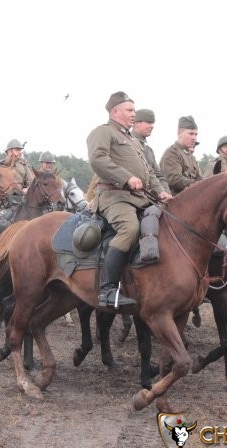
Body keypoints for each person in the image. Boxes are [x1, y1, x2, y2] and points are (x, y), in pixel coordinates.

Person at [88, 91, 172, 307]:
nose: (134, 114)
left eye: (134, 110)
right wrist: (126, 178)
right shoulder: (103, 132)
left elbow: (148, 171)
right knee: (130, 228)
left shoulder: (132, 140)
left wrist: (161, 191)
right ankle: (108, 291)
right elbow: (98, 160)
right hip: (114, 197)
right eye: (130, 110)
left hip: (140, 198)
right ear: (115, 111)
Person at [160, 115, 202, 195]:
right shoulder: (172, 153)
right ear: (179, 133)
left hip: (191, 196)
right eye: (191, 134)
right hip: (174, 198)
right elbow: (175, 180)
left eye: (195, 134)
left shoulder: (191, 157)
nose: (194, 138)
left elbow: (199, 178)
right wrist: (198, 185)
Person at [131, 109, 170, 194]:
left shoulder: (148, 150)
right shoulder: (128, 144)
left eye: (152, 123)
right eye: (148, 122)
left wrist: (166, 193)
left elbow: (159, 176)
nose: (152, 126)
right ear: (136, 123)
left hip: (151, 194)